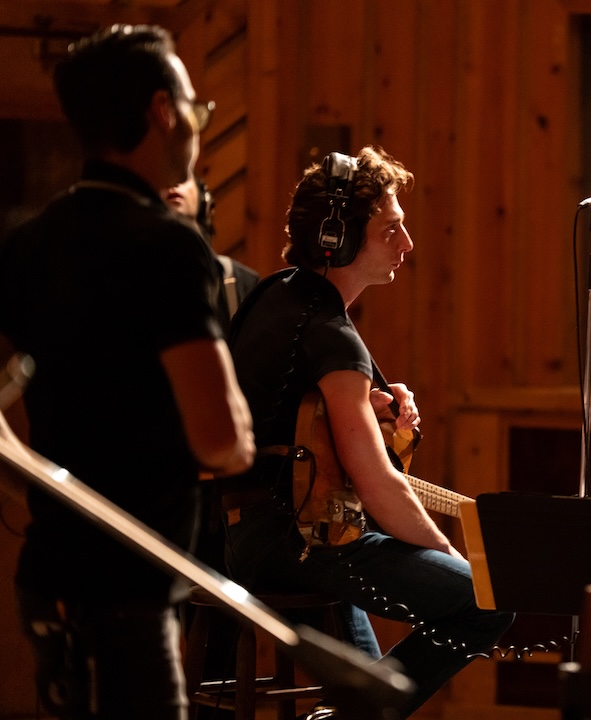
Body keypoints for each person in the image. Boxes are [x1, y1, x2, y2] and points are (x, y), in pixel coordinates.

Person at [0, 24, 255, 720]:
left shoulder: (28, 242)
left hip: (47, 574)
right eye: (198, 111)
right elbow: (220, 440)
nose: (199, 127)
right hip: (128, 587)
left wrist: (27, 481)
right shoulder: (167, 246)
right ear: (162, 112)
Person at [222, 145, 513, 717]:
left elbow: (292, 423)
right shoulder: (332, 335)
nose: (407, 244)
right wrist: (452, 558)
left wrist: (367, 411)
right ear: (339, 241)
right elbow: (377, 483)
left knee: (371, 699)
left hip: (250, 539)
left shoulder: (272, 295)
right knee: (488, 601)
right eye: (391, 230)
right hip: (304, 544)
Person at [162, 176, 260, 327]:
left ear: (205, 201)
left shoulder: (242, 281)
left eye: (183, 178)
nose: (173, 185)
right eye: (163, 181)